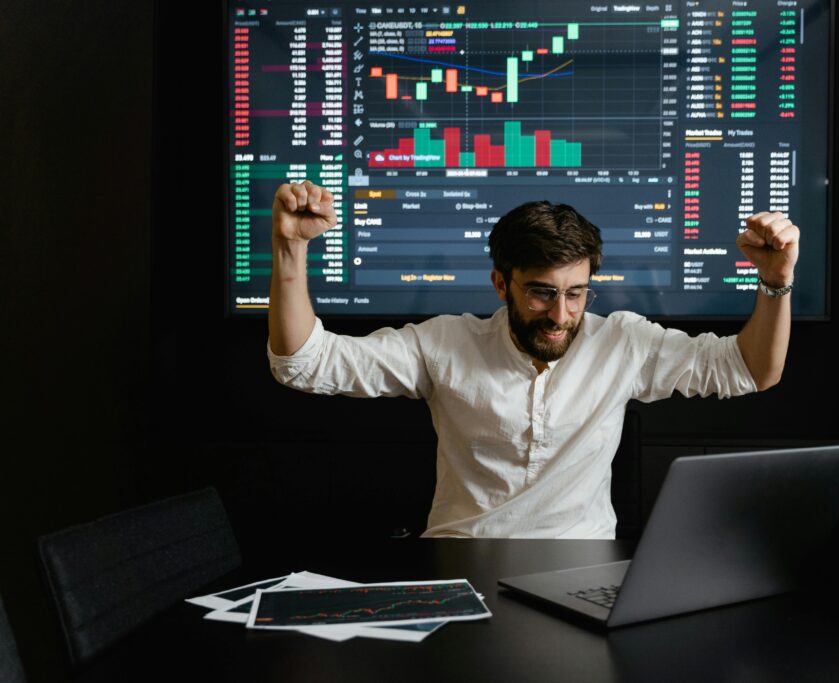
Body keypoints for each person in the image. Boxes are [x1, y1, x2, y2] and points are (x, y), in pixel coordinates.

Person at [268, 180, 799, 538]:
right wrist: (290, 249)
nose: (561, 315)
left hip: (583, 574)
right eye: (541, 292)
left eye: (576, 293)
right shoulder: (445, 342)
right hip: (460, 568)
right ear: (501, 283)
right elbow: (305, 362)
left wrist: (775, 282)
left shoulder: (623, 342)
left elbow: (750, 370)